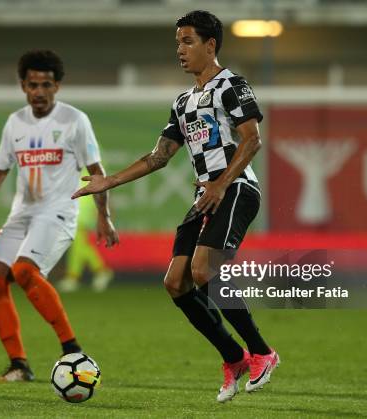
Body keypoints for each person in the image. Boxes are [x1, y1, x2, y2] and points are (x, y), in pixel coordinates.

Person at [73, 10, 278, 402]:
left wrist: (221, 183)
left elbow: (252, 139)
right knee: (175, 282)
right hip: (205, 197)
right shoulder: (183, 102)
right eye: (177, 43)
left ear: (210, 45)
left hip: (236, 189)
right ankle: (233, 358)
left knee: (204, 270)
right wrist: (109, 180)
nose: (180, 51)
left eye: (187, 42)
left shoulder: (231, 84)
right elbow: (158, 157)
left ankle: (263, 353)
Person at [0, 49, 119, 383]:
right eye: (33, 85)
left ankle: (72, 351)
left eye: (46, 84)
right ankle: (19, 364)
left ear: (57, 86)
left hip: (57, 213)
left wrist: (104, 215)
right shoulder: (15, 122)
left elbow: (96, 170)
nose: (39, 92)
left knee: (24, 271)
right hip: (22, 214)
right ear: (23, 86)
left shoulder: (75, 120)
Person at [57, 174, 114, 293]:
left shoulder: (80, 165)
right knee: (77, 244)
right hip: (81, 206)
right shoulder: (85, 164)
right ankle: (73, 277)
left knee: (79, 243)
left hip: (80, 207)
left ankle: (101, 269)